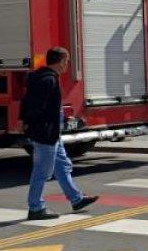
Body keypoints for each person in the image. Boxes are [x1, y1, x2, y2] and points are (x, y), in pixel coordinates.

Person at [20, 47, 97, 221]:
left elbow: (25, 102)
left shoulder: (40, 77)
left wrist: (23, 120)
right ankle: (35, 207)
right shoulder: (48, 80)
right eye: (67, 61)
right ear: (61, 61)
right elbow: (36, 107)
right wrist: (39, 127)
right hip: (46, 134)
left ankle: (76, 199)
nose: (67, 65)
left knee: (62, 166)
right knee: (42, 171)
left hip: (52, 133)